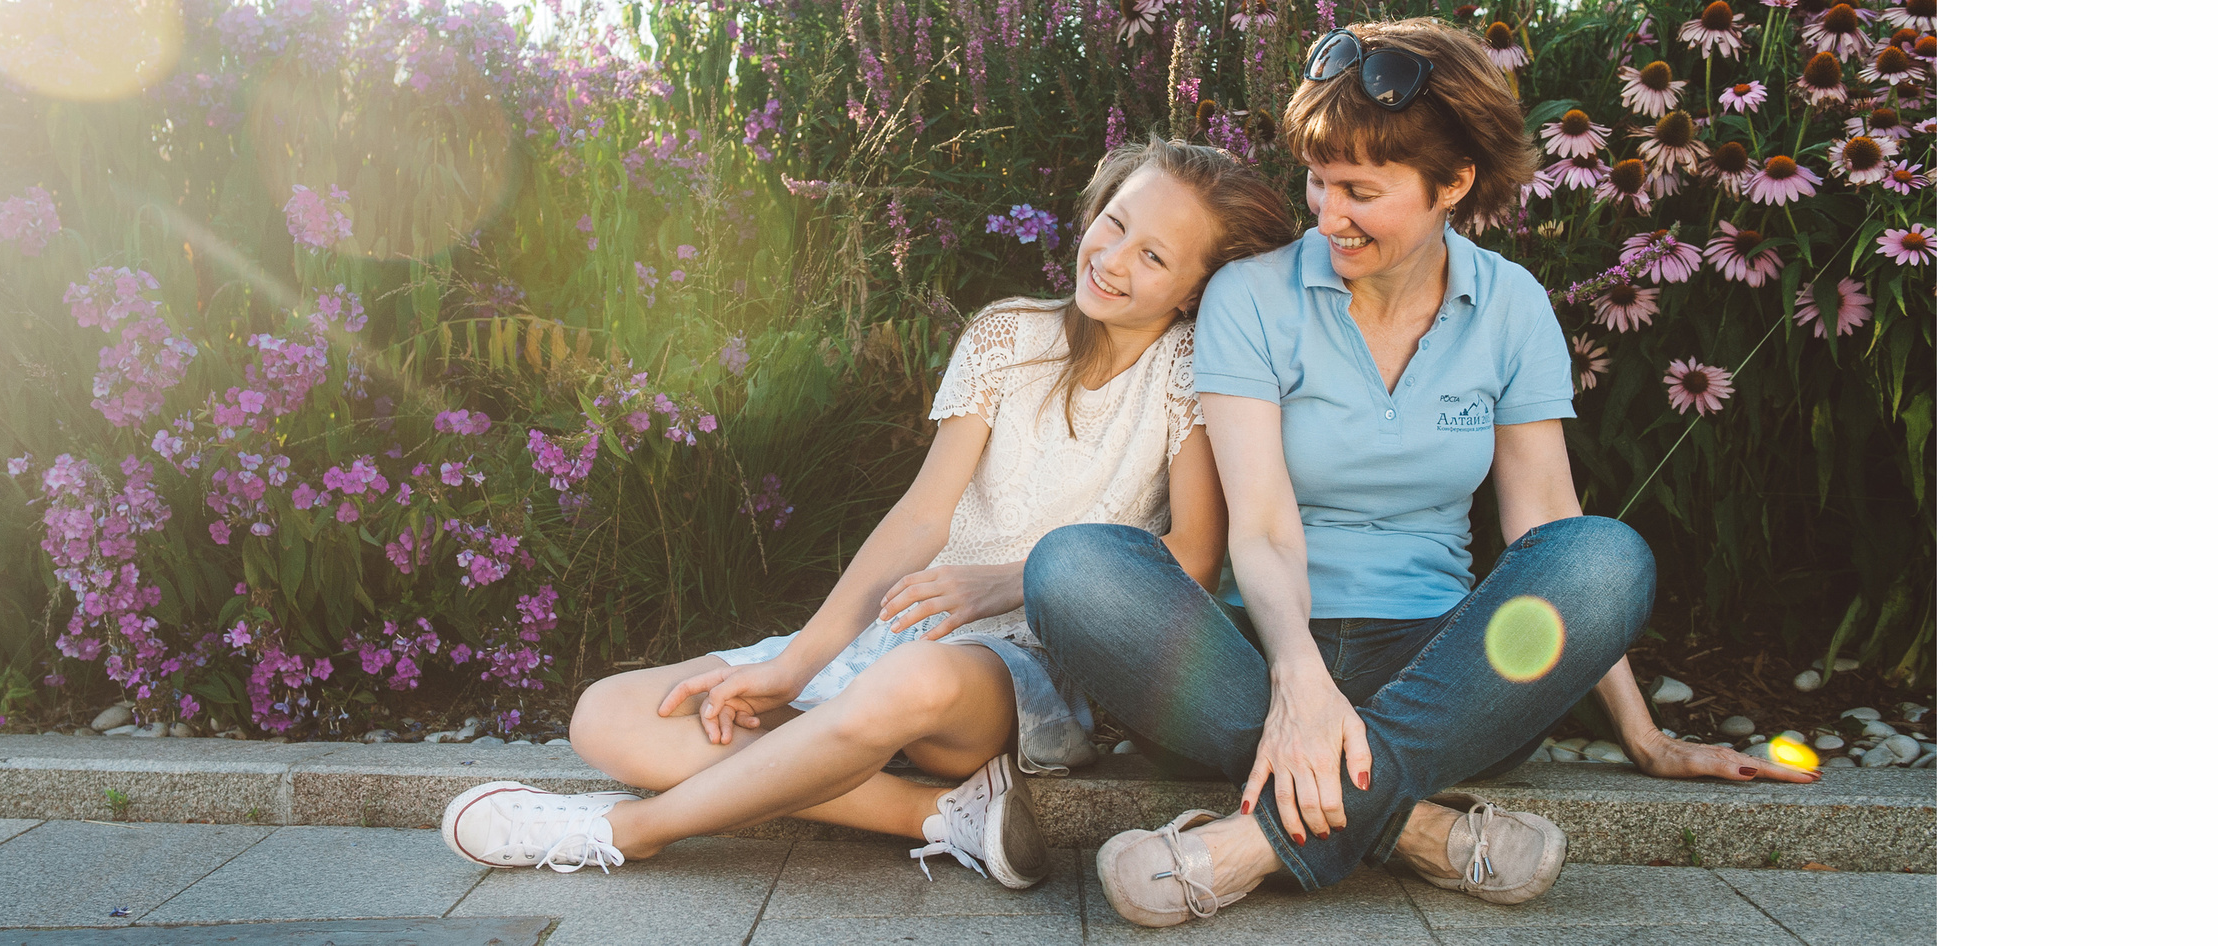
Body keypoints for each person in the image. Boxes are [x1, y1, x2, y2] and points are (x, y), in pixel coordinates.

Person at [1021, 19, 1819, 930]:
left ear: (1455, 184)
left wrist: (1642, 734)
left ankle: (1245, 843)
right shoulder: (1252, 298)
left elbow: (1546, 530)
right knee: (1072, 568)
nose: (1327, 216)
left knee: (1605, 555)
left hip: (1447, 673)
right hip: (1257, 661)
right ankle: (1423, 831)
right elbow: (1264, 524)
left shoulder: (1511, 304)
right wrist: (1301, 684)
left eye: (1362, 191)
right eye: (1318, 182)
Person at [435, 138, 1301, 885]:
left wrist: (1003, 586)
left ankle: (630, 833)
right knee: (610, 717)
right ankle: (935, 818)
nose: (1113, 259)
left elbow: (1188, 558)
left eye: (1155, 257)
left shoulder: (1191, 373)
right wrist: (795, 663)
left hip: (1015, 668)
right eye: (1115, 222)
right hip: (904, 631)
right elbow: (922, 520)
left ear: (1195, 290)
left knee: (916, 680)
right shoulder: (1009, 335)